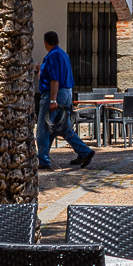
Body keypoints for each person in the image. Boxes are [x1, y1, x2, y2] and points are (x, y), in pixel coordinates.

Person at [36, 30, 94, 171]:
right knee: (63, 128)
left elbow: (54, 79)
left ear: (45, 42)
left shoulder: (52, 56)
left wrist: (52, 100)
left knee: (43, 129)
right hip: (67, 93)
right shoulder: (63, 54)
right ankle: (84, 152)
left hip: (54, 94)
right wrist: (40, 70)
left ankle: (43, 160)